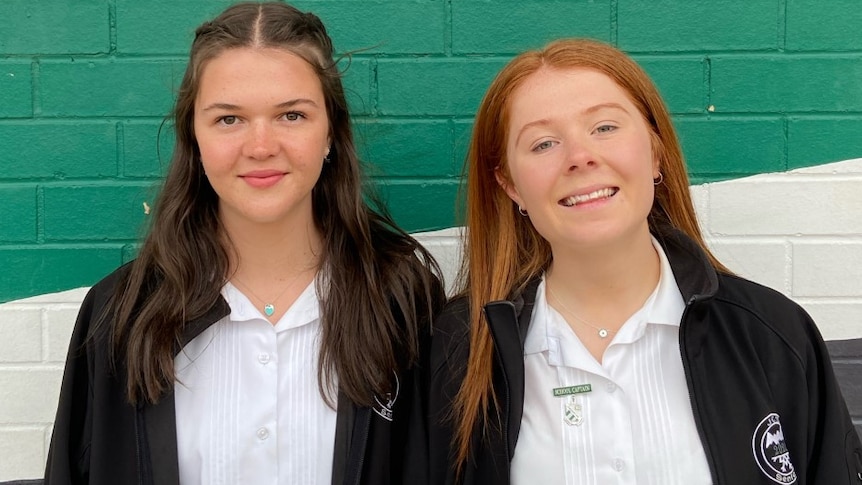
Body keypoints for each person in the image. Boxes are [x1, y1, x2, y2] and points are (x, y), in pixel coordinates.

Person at [424, 38, 862, 484]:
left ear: (656, 152)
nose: (580, 157)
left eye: (605, 127)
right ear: (511, 185)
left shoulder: (770, 332)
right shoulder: (462, 348)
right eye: (543, 144)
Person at [44, 2, 444, 484]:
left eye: (291, 115)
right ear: (194, 137)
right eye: (229, 119)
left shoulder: (403, 297)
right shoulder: (120, 314)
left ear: (331, 133)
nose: (260, 146)